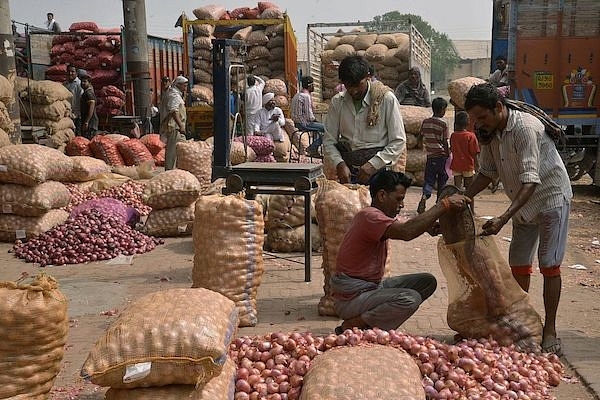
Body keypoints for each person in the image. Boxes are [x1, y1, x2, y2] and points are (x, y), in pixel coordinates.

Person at [463, 82, 572, 356]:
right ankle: (522, 323)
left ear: (498, 108)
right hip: (522, 205)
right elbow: (487, 173)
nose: (480, 124)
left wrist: (502, 218)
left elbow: (531, 180)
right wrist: (462, 197)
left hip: (550, 199)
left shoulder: (525, 128)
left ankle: (550, 330)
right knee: (519, 265)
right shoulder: (489, 134)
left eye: (483, 117)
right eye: (475, 119)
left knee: (549, 265)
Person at [330, 169, 471, 333]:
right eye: (399, 199)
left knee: (427, 281)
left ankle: (370, 320)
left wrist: (428, 226)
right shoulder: (369, 216)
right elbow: (406, 232)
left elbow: (407, 225)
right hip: (352, 298)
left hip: (370, 288)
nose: (402, 205)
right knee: (409, 299)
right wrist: (444, 205)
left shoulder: (378, 216)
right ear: (382, 196)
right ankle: (355, 324)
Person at [323, 55, 406, 184]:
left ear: (368, 77)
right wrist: (339, 164)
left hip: (379, 173)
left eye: (357, 85)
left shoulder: (386, 99)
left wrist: (373, 164)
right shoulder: (337, 102)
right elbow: (329, 141)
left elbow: (398, 141)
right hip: (348, 171)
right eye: (348, 86)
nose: (353, 91)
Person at [417, 97, 450, 214]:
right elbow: (445, 141)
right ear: (441, 109)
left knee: (429, 180)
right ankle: (438, 203)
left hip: (430, 156)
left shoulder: (426, 122)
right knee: (442, 179)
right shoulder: (443, 124)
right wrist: (448, 154)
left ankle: (424, 197)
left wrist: (421, 145)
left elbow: (420, 136)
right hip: (441, 156)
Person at [291, 75, 324, 157]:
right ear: (310, 86)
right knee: (328, 130)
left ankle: (314, 150)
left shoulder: (297, 95)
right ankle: (312, 148)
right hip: (304, 124)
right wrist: (316, 121)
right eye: (313, 85)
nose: (314, 87)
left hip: (296, 122)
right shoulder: (306, 97)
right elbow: (309, 116)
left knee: (321, 128)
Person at [161, 75, 188, 170]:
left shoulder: (174, 93)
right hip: (174, 127)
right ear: (179, 85)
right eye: (184, 86)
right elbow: (173, 110)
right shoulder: (174, 95)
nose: (185, 88)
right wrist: (181, 125)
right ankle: (170, 171)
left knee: (180, 150)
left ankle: (178, 170)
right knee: (172, 152)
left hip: (177, 127)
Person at [449, 110, 480, 192]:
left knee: (457, 189)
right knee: (470, 190)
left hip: (456, 165)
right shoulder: (471, 136)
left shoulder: (453, 136)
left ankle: (457, 203)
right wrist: (477, 166)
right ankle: (470, 205)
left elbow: (452, 149)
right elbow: (474, 153)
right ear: (468, 122)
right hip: (468, 165)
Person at [254, 92, 289, 162]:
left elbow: (283, 123)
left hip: (276, 134)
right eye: (271, 101)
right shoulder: (260, 112)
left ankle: (263, 132)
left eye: (274, 101)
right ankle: (270, 156)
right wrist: (256, 130)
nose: (273, 102)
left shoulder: (278, 110)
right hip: (266, 134)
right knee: (267, 137)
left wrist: (277, 119)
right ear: (266, 102)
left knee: (275, 123)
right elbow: (257, 123)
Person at [64, 64, 83, 135]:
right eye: (68, 71)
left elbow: (81, 99)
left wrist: (77, 114)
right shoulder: (65, 84)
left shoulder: (79, 84)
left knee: (78, 135)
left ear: (76, 73)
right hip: (67, 114)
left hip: (77, 115)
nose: (70, 73)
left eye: (72, 71)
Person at [79, 74, 99, 139]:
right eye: (81, 81)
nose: (82, 83)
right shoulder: (85, 93)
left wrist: (87, 121)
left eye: (85, 81)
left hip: (90, 123)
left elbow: (91, 107)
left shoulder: (88, 93)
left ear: (89, 83)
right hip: (88, 121)